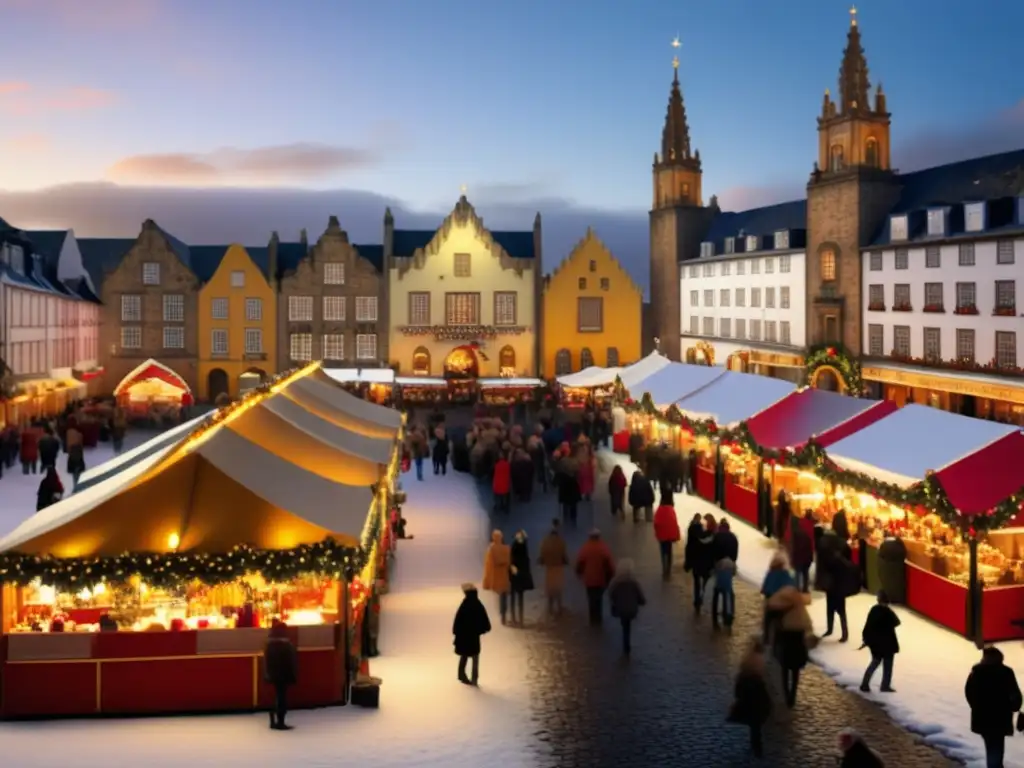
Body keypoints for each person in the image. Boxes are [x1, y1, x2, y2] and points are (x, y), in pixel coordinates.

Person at [965, 646, 1022, 768]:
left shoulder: (976, 672)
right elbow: (1014, 694)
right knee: (996, 746)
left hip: (981, 717)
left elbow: (969, 692)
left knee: (990, 744)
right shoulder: (1006, 672)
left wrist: (975, 707)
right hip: (1000, 718)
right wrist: (1015, 707)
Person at [766, 584, 814, 708]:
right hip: (798, 640)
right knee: (795, 670)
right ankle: (793, 695)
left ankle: (787, 694)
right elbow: (807, 623)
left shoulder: (780, 607)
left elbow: (774, 623)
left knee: (785, 668)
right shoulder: (799, 605)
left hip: (786, 639)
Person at [728, 636, 772, 759]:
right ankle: (757, 747)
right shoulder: (759, 660)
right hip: (756, 690)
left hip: (747, 690)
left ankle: (755, 744)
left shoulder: (747, 659)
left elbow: (741, 677)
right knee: (757, 718)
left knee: (754, 720)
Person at [859, 591, 899, 693]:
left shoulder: (874, 610)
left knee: (875, 663)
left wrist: (866, 639)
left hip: (876, 644)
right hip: (887, 644)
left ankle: (865, 684)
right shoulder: (887, 612)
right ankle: (885, 686)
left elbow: (868, 626)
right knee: (887, 665)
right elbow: (896, 622)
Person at [452, 583, 492, 686]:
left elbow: (458, 621)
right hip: (474, 636)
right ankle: (474, 678)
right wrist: (482, 629)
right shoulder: (478, 604)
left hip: (464, 636)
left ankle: (461, 674)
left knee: (464, 655)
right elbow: (485, 621)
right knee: (475, 656)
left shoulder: (464, 605)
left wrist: (456, 633)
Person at [575, 529, 615, 625]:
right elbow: (609, 563)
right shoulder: (603, 547)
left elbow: (580, 562)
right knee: (599, 598)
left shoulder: (585, 548)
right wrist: (611, 575)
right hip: (600, 578)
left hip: (589, 579)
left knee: (590, 598)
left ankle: (592, 618)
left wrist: (579, 573)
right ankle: (598, 618)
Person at [263, 621, 298, 730]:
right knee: (281, 697)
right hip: (283, 674)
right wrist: (292, 675)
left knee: (278, 695)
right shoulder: (286, 645)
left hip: (273, 673)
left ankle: (274, 717)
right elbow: (290, 662)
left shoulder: (269, 644)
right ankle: (280, 721)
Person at [608, 559, 646, 655]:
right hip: (632, 610)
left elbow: (611, 595)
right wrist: (641, 602)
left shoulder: (615, 583)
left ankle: (626, 646)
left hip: (620, 609)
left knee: (625, 625)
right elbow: (641, 597)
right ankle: (627, 645)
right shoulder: (634, 583)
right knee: (627, 626)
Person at [760, 550, 796, 644]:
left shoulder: (770, 573)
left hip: (771, 602)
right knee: (781, 623)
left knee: (768, 621)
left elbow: (765, 588)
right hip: (782, 604)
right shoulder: (786, 574)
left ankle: (766, 639)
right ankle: (779, 641)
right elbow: (791, 587)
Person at [538, 519, 569, 615]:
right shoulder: (561, 542)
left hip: (549, 568)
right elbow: (564, 555)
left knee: (550, 589)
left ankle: (550, 608)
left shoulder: (545, 541)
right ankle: (559, 608)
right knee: (558, 589)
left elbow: (542, 554)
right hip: (558, 568)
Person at [685, 515, 714, 611]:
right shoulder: (709, 536)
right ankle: (702, 596)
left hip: (696, 564)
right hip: (705, 564)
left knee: (696, 582)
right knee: (705, 580)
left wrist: (688, 563)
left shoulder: (693, 538)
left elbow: (689, 550)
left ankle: (697, 600)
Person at [482, 530, 512, 624]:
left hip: (495, 576)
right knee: (504, 595)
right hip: (504, 575)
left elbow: (488, 564)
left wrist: (487, 579)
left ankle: (501, 613)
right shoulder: (506, 548)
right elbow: (509, 561)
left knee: (499, 596)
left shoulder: (491, 548)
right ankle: (504, 614)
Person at [653, 491, 681, 578]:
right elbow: (674, 523)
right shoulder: (671, 509)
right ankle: (668, 570)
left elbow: (656, 522)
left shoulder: (659, 509)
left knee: (663, 551)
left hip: (662, 535)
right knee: (669, 552)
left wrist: (657, 532)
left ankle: (664, 569)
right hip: (669, 536)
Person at [509, 530, 534, 625]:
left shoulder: (514, 545)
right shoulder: (524, 546)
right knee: (520, 597)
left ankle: (513, 617)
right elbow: (526, 560)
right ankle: (521, 619)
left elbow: (511, 559)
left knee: (513, 596)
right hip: (522, 574)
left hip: (515, 573)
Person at [789, 513, 815, 593]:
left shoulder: (795, 533)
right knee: (805, 574)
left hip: (798, 557)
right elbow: (810, 544)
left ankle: (797, 590)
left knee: (797, 573)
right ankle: (805, 589)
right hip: (806, 557)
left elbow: (793, 547)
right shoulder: (806, 531)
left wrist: (792, 558)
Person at [712, 553, 737, 629]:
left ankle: (714, 618)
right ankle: (729, 616)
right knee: (730, 596)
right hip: (727, 587)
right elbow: (734, 573)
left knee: (715, 596)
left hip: (719, 584)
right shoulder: (732, 563)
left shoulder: (719, 562)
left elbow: (715, 571)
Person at [66, 425, 86, 491]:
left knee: (74, 476)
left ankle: (76, 486)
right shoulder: (80, 436)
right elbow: (81, 452)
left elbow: (69, 452)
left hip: (73, 460)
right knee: (78, 475)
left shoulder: (69, 434)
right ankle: (79, 486)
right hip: (78, 460)